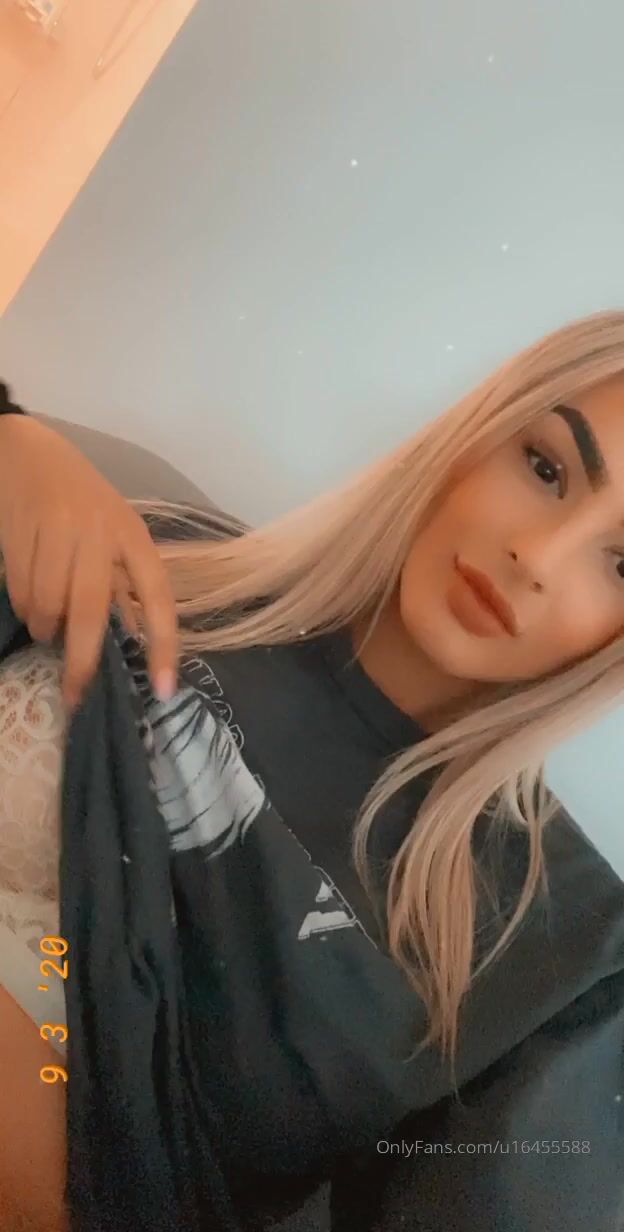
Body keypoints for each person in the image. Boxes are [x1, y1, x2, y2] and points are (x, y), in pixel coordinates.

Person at [0, 309, 622, 1232]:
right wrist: (11, 438)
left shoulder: (563, 953)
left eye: (623, 564)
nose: (536, 556)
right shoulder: (163, 552)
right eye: (544, 467)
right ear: (477, 435)